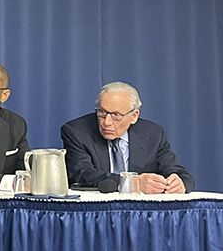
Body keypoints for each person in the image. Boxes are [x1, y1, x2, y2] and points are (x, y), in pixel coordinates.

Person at [61, 81, 194, 193]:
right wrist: (131, 183)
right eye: (102, 112)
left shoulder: (154, 134)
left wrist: (179, 183)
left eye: (116, 115)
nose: (106, 122)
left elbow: (179, 173)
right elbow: (82, 174)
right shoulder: (76, 131)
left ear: (134, 116)